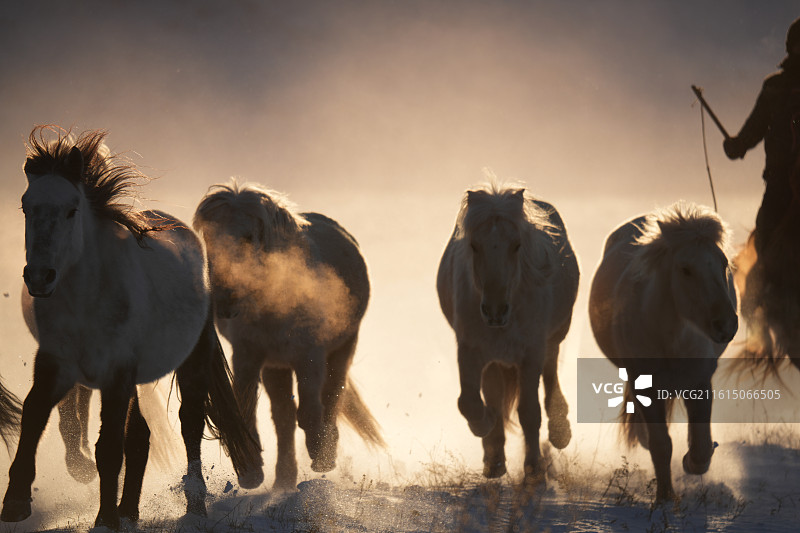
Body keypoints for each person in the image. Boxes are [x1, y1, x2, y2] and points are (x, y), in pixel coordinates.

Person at [724, 16, 800, 256]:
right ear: (791, 47)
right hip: (778, 180)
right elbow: (756, 126)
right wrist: (739, 144)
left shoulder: (775, 87)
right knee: (765, 238)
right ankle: (760, 288)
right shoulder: (774, 88)